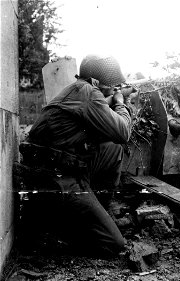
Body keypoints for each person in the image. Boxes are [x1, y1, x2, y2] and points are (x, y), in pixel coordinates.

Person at [21, 54, 133, 256]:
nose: (111, 89)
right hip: (57, 181)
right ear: (97, 82)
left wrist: (111, 98)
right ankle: (66, 229)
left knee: (112, 148)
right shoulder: (89, 93)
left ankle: (98, 211)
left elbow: (105, 131)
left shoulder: (79, 90)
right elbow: (123, 132)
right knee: (114, 244)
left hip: (52, 171)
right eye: (110, 86)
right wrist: (120, 101)